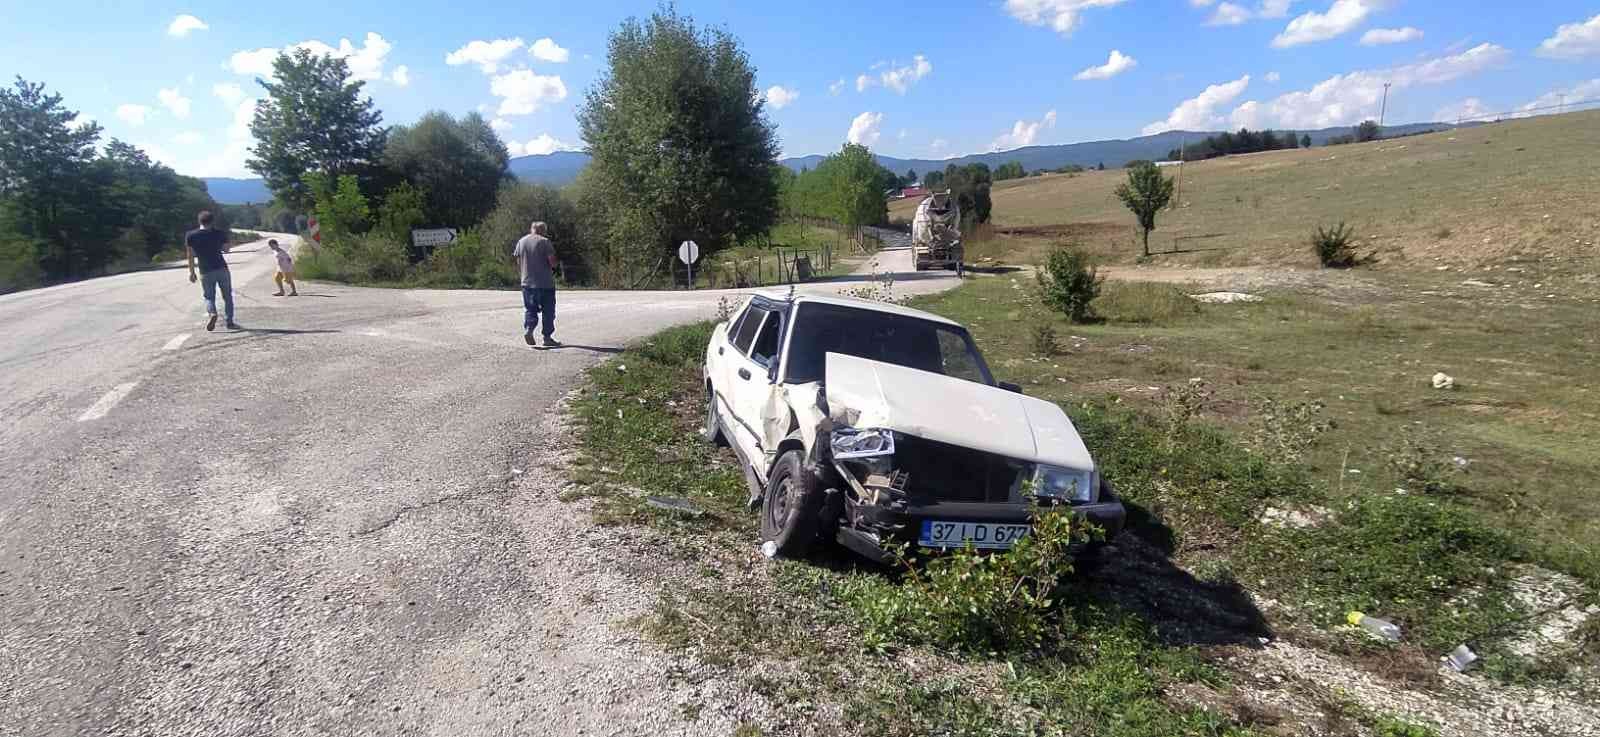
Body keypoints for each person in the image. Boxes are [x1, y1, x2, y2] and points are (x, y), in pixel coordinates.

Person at [185, 210, 238, 331]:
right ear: (212, 221)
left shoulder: (191, 235)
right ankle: (229, 321)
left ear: (199, 221)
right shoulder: (219, 233)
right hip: (221, 268)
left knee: (209, 297)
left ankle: (212, 313)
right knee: (227, 296)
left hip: (205, 270)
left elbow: (190, 255)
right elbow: (226, 250)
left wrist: (192, 272)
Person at [514, 221, 560, 347]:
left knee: (530, 309)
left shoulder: (521, 241)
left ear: (532, 229)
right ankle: (547, 337)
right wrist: (555, 265)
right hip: (545, 283)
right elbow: (552, 262)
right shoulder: (544, 242)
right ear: (543, 230)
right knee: (548, 311)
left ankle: (529, 329)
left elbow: (518, 261)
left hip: (527, 282)